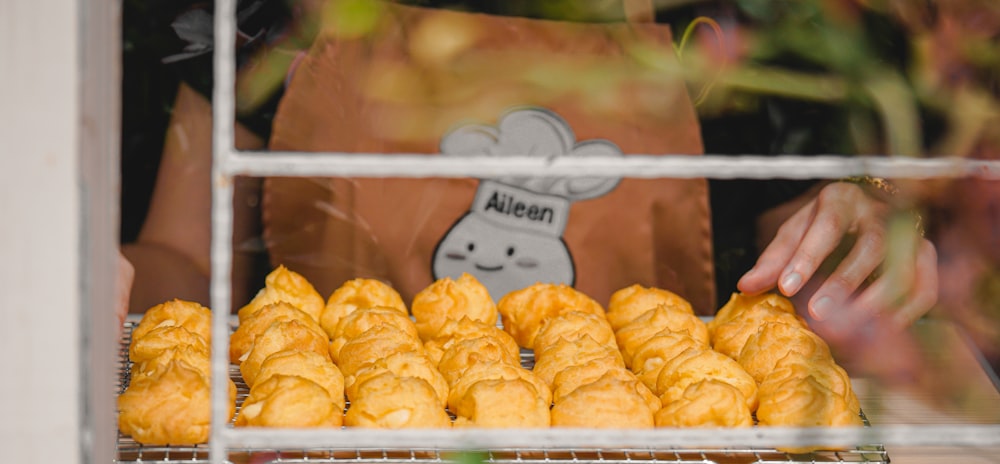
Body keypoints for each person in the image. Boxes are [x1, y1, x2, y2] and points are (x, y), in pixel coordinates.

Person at [118, 0, 939, 356]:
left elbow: (802, 295)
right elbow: (184, 263)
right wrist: (93, 280)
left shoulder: (736, 28)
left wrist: (860, 249)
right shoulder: (266, 12)